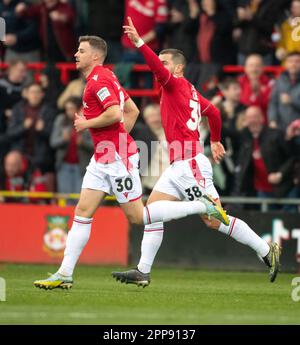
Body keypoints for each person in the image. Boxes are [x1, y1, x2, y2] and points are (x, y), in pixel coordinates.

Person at [33, 35, 227, 290]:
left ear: (95, 56)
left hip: (117, 158)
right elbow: (132, 110)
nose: (75, 55)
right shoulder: (105, 77)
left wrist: (87, 124)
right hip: (103, 156)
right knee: (82, 212)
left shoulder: (99, 80)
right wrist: (118, 137)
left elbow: (115, 113)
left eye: (80, 51)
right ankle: (64, 273)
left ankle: (200, 206)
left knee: (138, 217)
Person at [112, 17, 281, 288]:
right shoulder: (188, 90)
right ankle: (143, 271)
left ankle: (265, 250)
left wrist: (140, 42)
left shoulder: (175, 84)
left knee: (214, 219)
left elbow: (160, 70)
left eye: (165, 63)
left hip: (190, 164)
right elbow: (212, 111)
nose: (160, 67)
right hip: (179, 164)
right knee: (152, 211)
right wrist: (214, 140)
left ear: (177, 68)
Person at [268, 52, 300, 132]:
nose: (293, 64)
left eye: (297, 61)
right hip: (281, 129)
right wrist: (272, 120)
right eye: (290, 61)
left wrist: (292, 101)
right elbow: (273, 102)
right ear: (286, 64)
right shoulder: (279, 80)